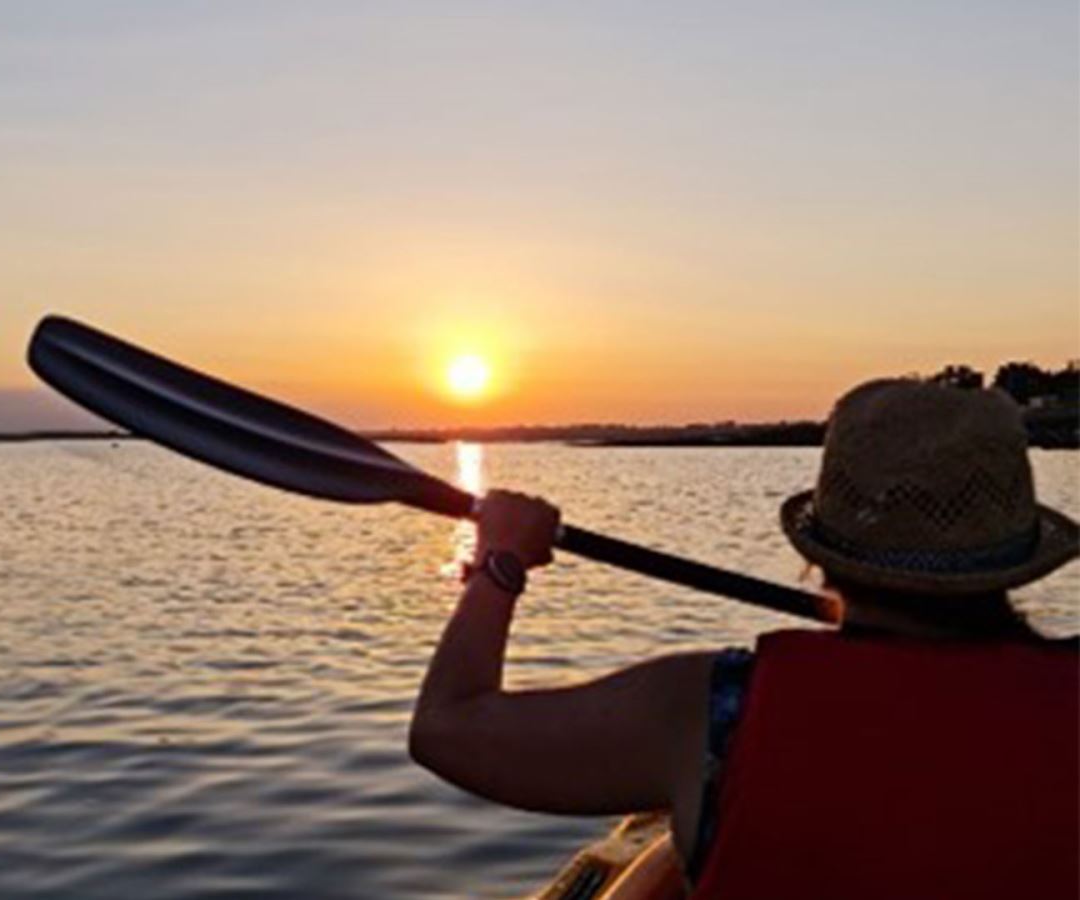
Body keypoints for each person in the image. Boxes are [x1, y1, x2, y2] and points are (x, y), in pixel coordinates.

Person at [409, 379, 1079, 899]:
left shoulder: (711, 710)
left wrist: (500, 563)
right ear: (1014, 555)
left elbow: (448, 729)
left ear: (822, 558)